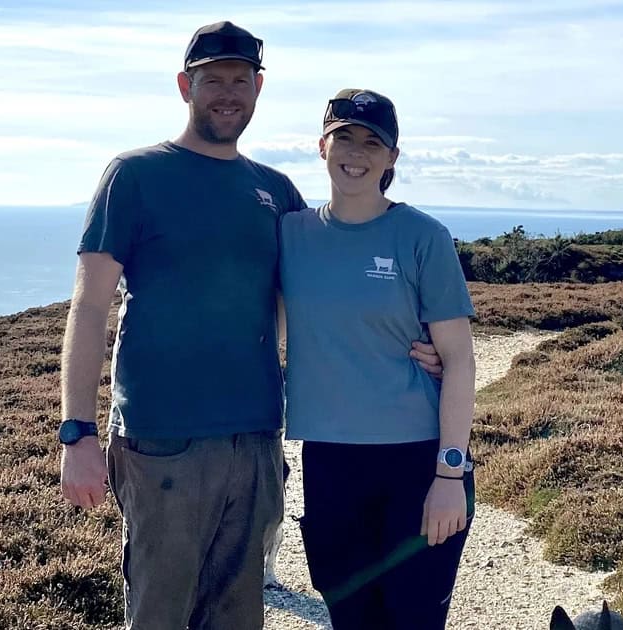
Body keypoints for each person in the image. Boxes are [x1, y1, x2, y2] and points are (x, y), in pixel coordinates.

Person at [55, 22, 441, 630]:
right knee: (160, 614)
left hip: (257, 441)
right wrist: (77, 431)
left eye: (241, 80)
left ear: (258, 88)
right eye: (213, 80)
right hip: (163, 440)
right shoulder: (134, 175)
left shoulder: (275, 191)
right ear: (186, 86)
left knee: (239, 619)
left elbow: (329, 289)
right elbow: (89, 306)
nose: (227, 93)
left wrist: (424, 346)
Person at [279, 88, 478, 630]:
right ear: (322, 146)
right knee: (351, 617)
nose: (356, 152)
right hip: (329, 462)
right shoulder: (291, 234)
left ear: (392, 157)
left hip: (417, 461)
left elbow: (459, 361)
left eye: (373, 142)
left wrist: (449, 475)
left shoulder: (422, 236)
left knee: (412, 619)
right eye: (344, 136)